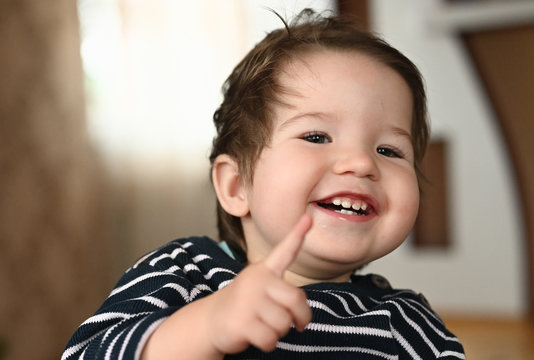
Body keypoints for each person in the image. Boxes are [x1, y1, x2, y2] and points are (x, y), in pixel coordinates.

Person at [63, 9, 465, 360]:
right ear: (237, 185)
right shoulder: (183, 275)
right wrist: (206, 327)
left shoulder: (405, 324)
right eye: (316, 136)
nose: (362, 162)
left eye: (389, 150)